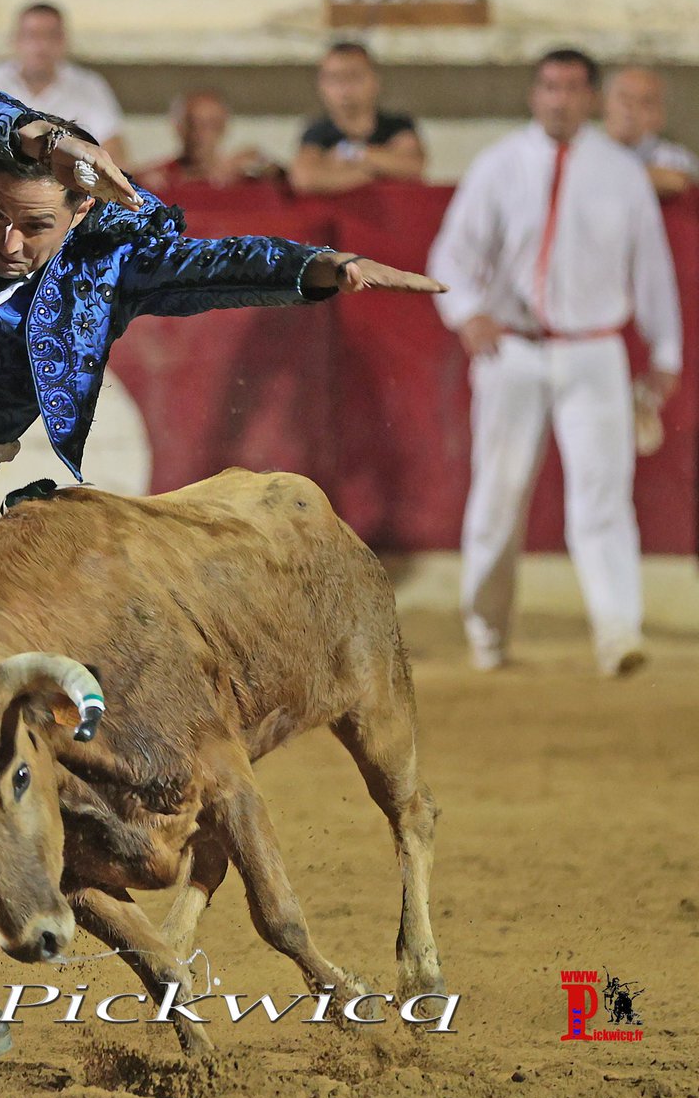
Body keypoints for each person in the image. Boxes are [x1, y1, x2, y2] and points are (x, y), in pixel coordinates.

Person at [0, 73, 445, 1071]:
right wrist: (36, 132)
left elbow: (212, 268)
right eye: (0, 215)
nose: (9, 241)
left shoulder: (97, 268)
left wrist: (320, 271)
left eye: (36, 225)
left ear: (81, 210)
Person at [428, 49, 682, 677]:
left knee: (602, 497)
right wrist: (467, 314)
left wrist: (667, 350)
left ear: (591, 98)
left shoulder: (621, 173)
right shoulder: (499, 165)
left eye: (572, 88)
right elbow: (450, 255)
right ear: (534, 94)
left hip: (594, 350)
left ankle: (618, 632)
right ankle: (487, 634)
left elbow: (651, 268)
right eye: (548, 86)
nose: (559, 99)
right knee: (499, 493)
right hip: (511, 350)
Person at [0, 1, 128, 167]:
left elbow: (113, 151)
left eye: (51, 36)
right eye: (31, 35)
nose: (41, 46)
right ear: (15, 40)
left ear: (64, 40)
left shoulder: (89, 86)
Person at [290, 41, 425, 194]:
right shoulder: (316, 132)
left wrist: (349, 155)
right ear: (321, 85)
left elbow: (412, 165)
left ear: (374, 80)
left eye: (353, 77)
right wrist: (371, 172)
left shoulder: (397, 125)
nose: (344, 88)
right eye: (334, 78)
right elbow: (304, 178)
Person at [136, 89, 280, 198]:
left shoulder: (244, 171)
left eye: (212, 124)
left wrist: (261, 165)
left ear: (223, 127)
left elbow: (287, 180)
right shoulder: (160, 176)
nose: (201, 133)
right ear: (179, 127)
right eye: (194, 124)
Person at [603, 66, 699, 197]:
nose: (631, 108)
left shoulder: (675, 157)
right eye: (624, 97)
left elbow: (675, 181)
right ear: (604, 103)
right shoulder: (583, 147)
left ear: (661, 115)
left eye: (645, 102)